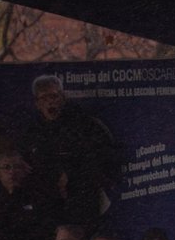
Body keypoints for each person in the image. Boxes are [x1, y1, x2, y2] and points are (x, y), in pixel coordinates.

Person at [20, 74, 118, 227]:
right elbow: (27, 169)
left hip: (84, 204)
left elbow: (106, 161)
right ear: (37, 104)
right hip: (47, 210)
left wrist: (72, 176)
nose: (50, 102)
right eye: (44, 98)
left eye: (54, 96)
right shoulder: (31, 134)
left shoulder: (86, 126)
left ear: (63, 98)